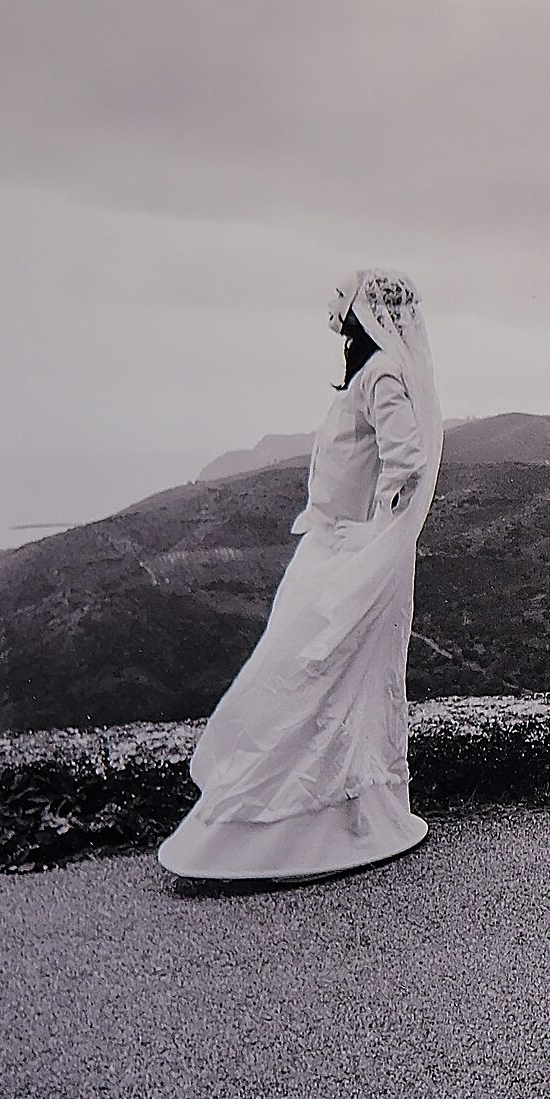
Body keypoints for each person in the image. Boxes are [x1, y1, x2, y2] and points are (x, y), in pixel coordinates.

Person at [159, 269, 442, 883]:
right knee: (308, 678)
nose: (339, 322)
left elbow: (408, 466)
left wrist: (372, 543)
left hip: (348, 555)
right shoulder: (368, 377)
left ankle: (312, 828)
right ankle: (304, 825)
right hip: (331, 551)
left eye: (347, 312)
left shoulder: (383, 375)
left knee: (310, 676)